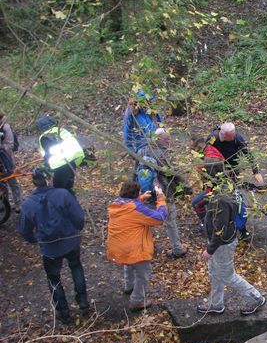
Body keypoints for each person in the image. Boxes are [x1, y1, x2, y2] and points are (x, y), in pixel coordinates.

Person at [19, 168, 89, 323]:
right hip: (71, 241)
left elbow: (24, 230)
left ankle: (63, 312)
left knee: (53, 278)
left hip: (49, 248)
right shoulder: (63, 194)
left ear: (34, 182)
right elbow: (78, 217)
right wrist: (76, 229)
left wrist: (35, 239)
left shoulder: (28, 203)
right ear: (49, 178)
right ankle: (83, 301)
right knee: (76, 267)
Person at [198, 161, 266, 315]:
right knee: (214, 271)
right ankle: (216, 304)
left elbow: (220, 230)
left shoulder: (221, 198)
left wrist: (210, 250)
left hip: (223, 244)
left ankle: (256, 299)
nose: (201, 178)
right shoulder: (225, 186)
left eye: (204, 175)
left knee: (228, 276)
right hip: (221, 241)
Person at [106, 180, 168, 311]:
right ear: (135, 194)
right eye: (139, 193)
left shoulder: (116, 205)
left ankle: (129, 287)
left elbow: (130, 205)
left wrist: (140, 198)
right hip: (134, 248)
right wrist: (161, 200)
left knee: (128, 265)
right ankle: (137, 301)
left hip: (119, 247)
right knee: (143, 273)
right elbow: (160, 218)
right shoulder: (137, 209)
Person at [137, 129, 189, 259]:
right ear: (160, 139)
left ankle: (145, 247)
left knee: (145, 221)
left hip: (146, 193)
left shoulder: (141, 151)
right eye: (167, 140)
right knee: (170, 221)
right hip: (163, 192)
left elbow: (136, 171)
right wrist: (186, 187)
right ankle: (177, 249)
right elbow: (175, 173)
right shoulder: (164, 154)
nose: (170, 142)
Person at [37, 115, 85, 192]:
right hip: (73, 158)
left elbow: (49, 153)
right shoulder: (61, 130)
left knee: (59, 188)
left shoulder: (44, 137)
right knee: (68, 185)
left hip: (60, 163)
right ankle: (70, 199)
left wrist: (47, 164)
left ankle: (64, 200)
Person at [123, 89, 163, 154]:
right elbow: (127, 135)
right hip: (142, 148)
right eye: (146, 101)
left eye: (149, 100)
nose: (148, 103)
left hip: (157, 145)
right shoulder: (131, 113)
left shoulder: (152, 110)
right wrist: (132, 154)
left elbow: (161, 126)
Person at [0, 113, 22, 210]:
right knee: (1, 184)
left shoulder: (5, 127)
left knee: (12, 181)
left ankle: (18, 204)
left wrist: (1, 146)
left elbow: (10, 145)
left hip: (6, 161)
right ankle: (4, 204)